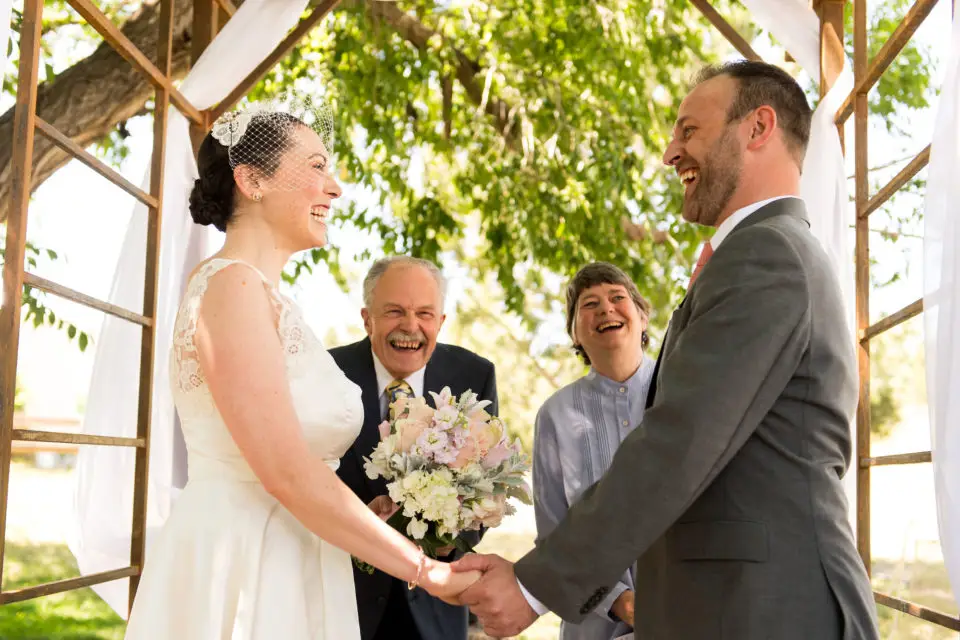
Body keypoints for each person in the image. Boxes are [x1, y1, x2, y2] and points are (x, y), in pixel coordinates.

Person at [453, 60, 881, 640]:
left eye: (689, 131)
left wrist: (535, 585)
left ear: (757, 128)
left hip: (771, 610)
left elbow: (680, 440)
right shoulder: (757, 254)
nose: (669, 153)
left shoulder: (767, 255)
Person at [123, 101, 478, 640]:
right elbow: (286, 472)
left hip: (298, 556)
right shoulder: (231, 288)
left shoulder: (268, 299)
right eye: (315, 167)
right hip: (248, 561)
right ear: (252, 180)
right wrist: (425, 570)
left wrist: (373, 518)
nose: (334, 188)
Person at [331, 255, 498, 640]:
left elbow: (483, 483)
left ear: (440, 321)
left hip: (434, 607)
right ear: (366, 317)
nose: (411, 326)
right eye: (394, 311)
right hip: (343, 599)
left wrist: (448, 546)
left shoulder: (475, 374)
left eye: (425, 313)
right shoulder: (326, 374)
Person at [532, 262, 655, 640]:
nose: (606, 309)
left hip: (690, 616)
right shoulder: (555, 416)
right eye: (589, 304)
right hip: (595, 627)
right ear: (574, 332)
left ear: (643, 316)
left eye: (618, 297)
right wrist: (619, 601)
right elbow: (553, 539)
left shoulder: (684, 393)